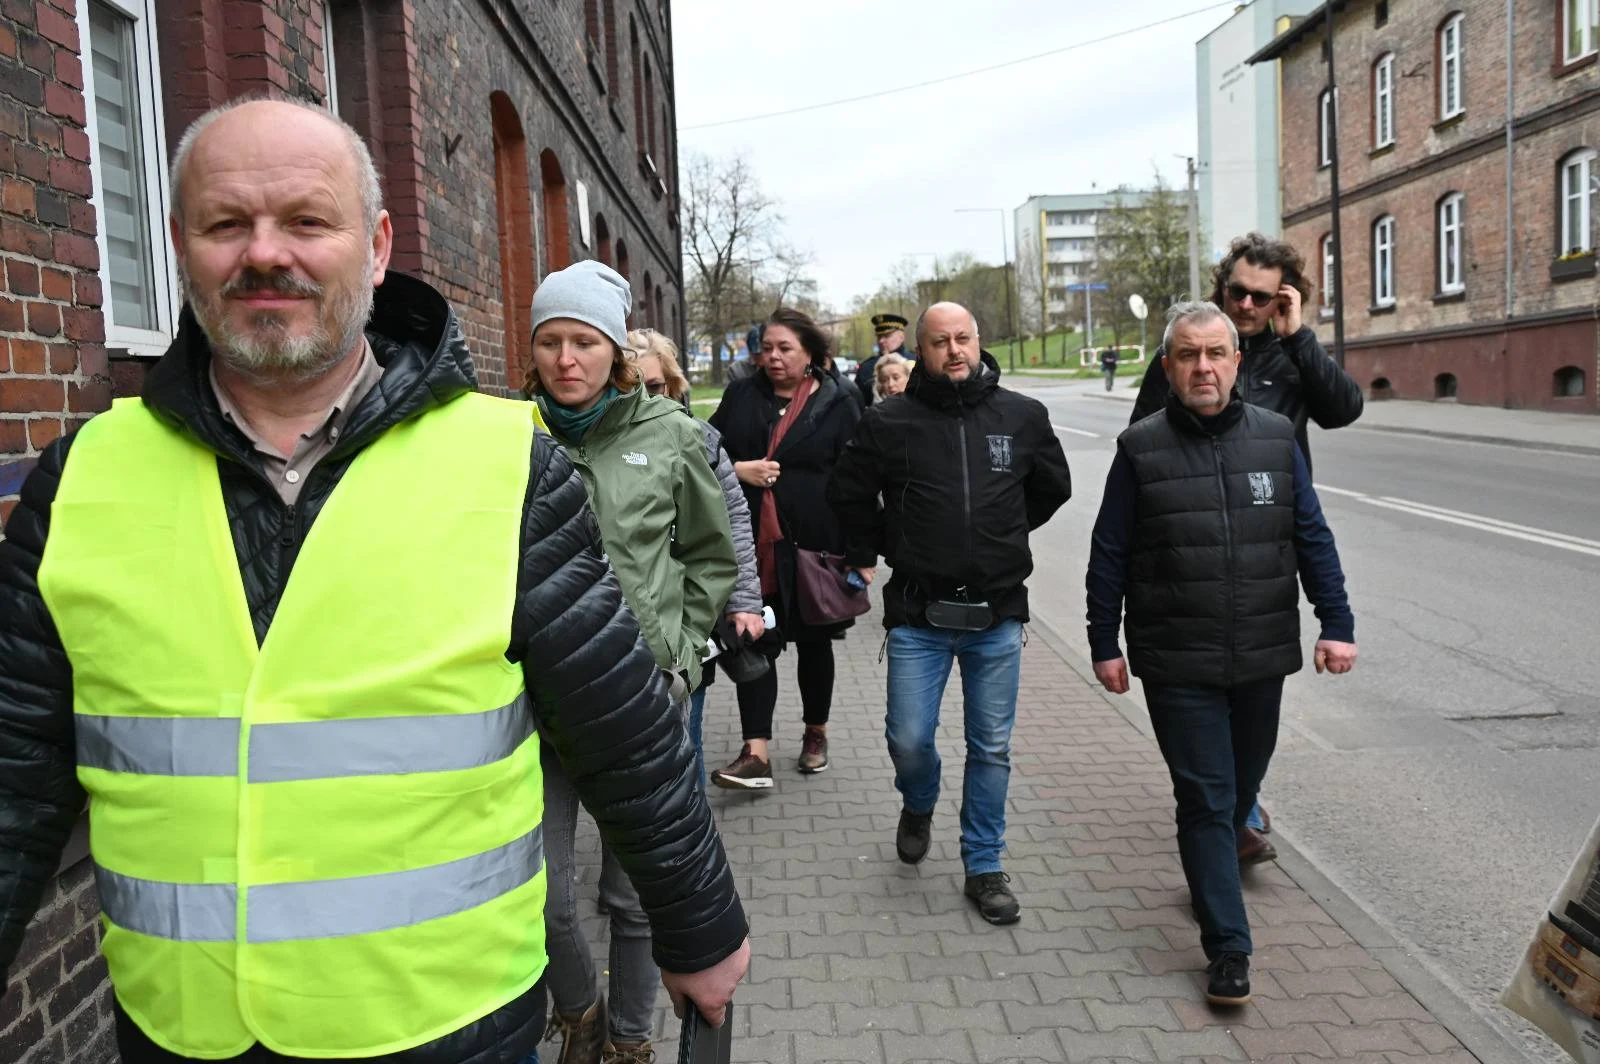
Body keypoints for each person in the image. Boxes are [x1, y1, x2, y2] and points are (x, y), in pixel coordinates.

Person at [0, 98, 748, 1064]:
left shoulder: (505, 466)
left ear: (379, 243)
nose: (267, 254)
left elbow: (622, 728)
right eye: (228, 224)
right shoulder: (84, 480)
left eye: (308, 221)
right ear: (182, 245)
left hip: (450, 1022)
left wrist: (699, 924)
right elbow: (16, 770)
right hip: (182, 1028)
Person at [1086, 300, 1357, 1008]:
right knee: (1205, 798)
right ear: (1168, 366)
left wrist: (1337, 622)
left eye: (1216, 354)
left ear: (1238, 362)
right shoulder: (1140, 448)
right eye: (1187, 355)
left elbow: (1312, 537)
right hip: (1177, 657)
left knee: (1238, 792)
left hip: (1263, 652)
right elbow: (1109, 552)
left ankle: (1211, 872)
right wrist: (1102, 640)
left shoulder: (1275, 436)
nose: (1203, 367)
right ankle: (1229, 947)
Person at [525, 266, 737, 1064]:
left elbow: (709, 557)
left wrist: (679, 657)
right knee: (541, 889)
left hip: (643, 698)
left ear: (615, 351)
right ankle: (577, 1010)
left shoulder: (673, 435)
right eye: (551, 341)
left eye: (584, 342)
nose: (566, 359)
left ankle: (627, 1040)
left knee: (633, 894)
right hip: (536, 701)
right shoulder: (511, 439)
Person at [827, 302, 1072, 926]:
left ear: (978, 340)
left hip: (997, 616)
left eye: (963, 338)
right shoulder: (890, 421)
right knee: (908, 740)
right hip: (918, 615)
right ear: (921, 349)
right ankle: (918, 801)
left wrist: (1001, 533)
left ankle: (984, 864)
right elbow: (848, 493)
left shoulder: (1021, 415)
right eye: (940, 341)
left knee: (990, 747)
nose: (954, 350)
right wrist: (886, 542)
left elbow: (1051, 488)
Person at [1129, 232, 1364, 862]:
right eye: (1238, 291)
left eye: (1263, 296)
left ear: (1282, 297)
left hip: (1268, 532)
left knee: (1256, 685)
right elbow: (1141, 436)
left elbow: (1344, 409)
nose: (1248, 304)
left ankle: (1237, 803)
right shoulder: (1188, 350)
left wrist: (1298, 336)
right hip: (1199, 539)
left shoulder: (1292, 354)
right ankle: (1228, 815)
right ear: (1222, 287)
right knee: (1208, 682)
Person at [706, 308, 862, 787]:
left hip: (815, 546)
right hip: (754, 547)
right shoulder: (741, 395)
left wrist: (861, 552)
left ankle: (815, 733)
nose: (772, 357)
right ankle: (757, 751)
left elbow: (858, 479)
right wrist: (739, 469)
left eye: (784, 348)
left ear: (810, 353)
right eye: (767, 348)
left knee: (815, 646)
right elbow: (701, 451)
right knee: (754, 638)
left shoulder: (840, 401)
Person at [629, 328, 766, 786]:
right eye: (633, 387)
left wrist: (744, 601)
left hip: (687, 623)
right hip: (622, 621)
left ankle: (689, 847)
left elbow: (733, 522)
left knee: (684, 740)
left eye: (656, 387)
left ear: (672, 385)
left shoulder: (700, 440)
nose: (647, 399)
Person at [853, 312, 911, 407]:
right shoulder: (866, 367)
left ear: (901, 337)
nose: (881, 341)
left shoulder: (918, 362)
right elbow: (858, 403)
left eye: (887, 336)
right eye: (879, 336)